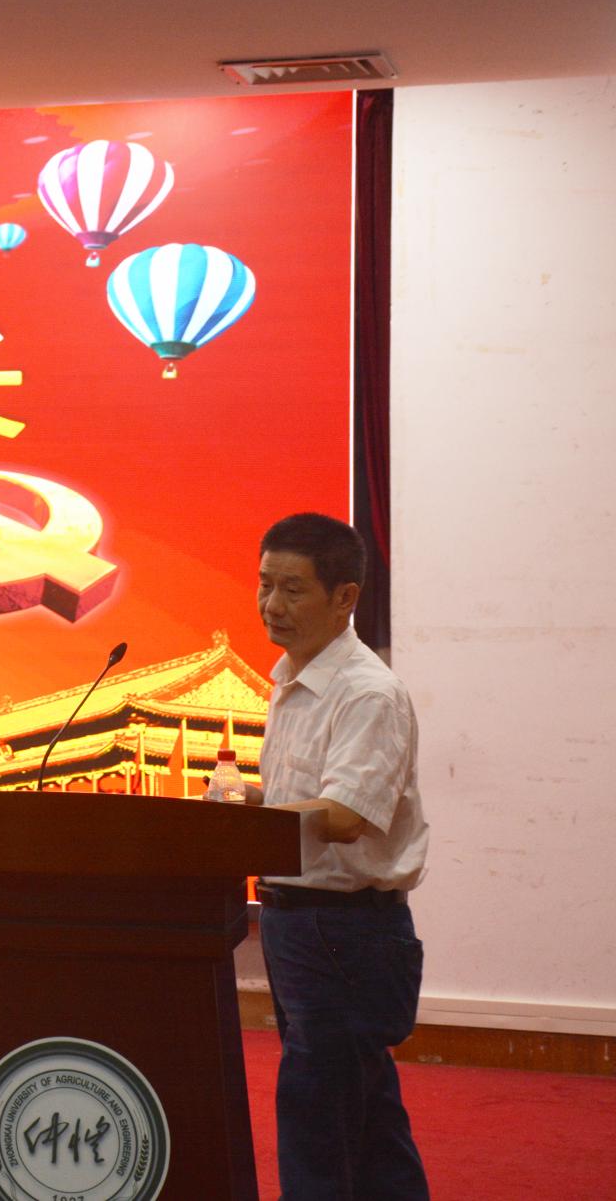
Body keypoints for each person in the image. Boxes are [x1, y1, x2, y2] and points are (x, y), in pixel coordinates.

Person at [219, 512, 430, 1200]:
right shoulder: (291, 678)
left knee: (318, 1113)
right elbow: (303, 803)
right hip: (297, 922)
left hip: (345, 929)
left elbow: (343, 816)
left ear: (345, 597)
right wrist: (247, 804)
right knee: (364, 1114)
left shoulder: (366, 691)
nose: (270, 605)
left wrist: (256, 822)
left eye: (292, 589)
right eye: (264, 584)